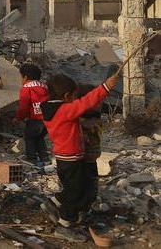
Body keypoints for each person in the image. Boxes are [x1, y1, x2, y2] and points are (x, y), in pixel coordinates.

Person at [39, 73, 119, 241]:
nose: (75, 100)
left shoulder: (50, 110)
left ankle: (53, 203)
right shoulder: (64, 111)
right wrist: (105, 87)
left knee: (73, 188)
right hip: (71, 159)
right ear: (67, 96)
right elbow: (85, 103)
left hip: (64, 158)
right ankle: (65, 224)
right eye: (74, 96)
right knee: (75, 192)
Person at [77, 84, 103, 221]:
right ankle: (77, 212)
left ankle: (83, 211)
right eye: (97, 101)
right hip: (83, 160)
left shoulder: (95, 118)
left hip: (91, 160)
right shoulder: (80, 122)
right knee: (85, 189)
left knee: (91, 188)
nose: (100, 104)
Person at [16, 63, 51, 165]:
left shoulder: (26, 88)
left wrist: (19, 118)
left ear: (25, 77)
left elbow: (24, 106)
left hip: (34, 119)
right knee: (40, 138)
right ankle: (44, 158)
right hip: (46, 119)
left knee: (29, 137)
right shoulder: (44, 87)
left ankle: (31, 158)